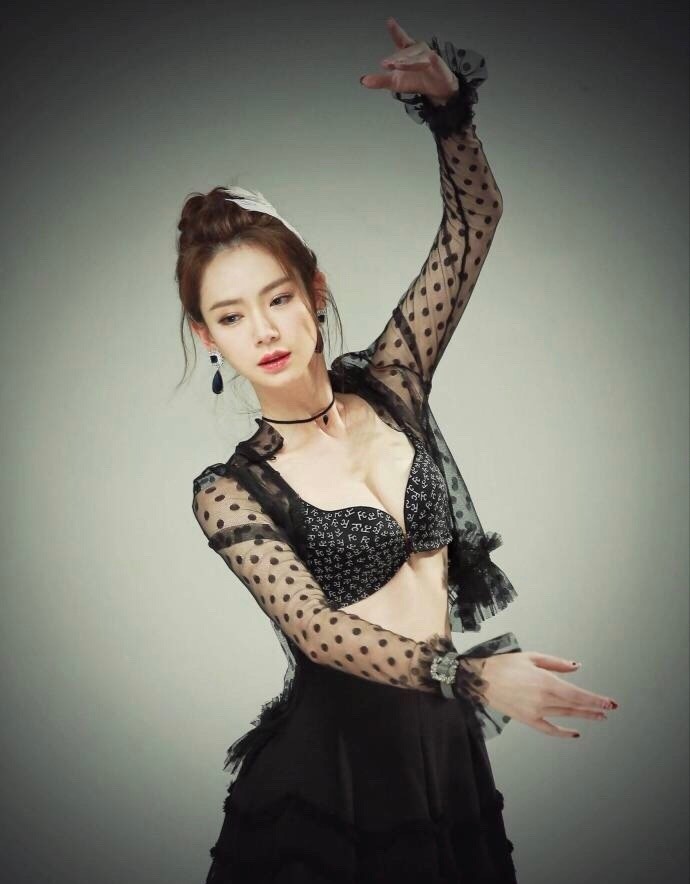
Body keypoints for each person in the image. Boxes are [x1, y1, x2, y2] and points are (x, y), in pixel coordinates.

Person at [179, 18, 619, 883]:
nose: (263, 330)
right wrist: (477, 678)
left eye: (277, 298)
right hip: (333, 774)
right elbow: (316, 631)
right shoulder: (232, 490)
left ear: (315, 292)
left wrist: (451, 115)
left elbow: (473, 223)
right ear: (208, 337)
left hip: (443, 755)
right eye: (231, 316)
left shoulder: (394, 383)